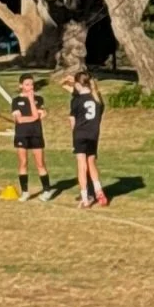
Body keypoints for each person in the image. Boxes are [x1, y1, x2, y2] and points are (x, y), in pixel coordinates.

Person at [62, 69, 108, 208]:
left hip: (80, 135)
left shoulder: (76, 101)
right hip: (93, 135)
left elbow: (72, 121)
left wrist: (74, 136)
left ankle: (85, 197)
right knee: (91, 163)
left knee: (81, 166)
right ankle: (99, 190)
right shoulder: (97, 99)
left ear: (77, 84)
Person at [11, 74, 54, 202]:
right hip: (21, 134)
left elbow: (39, 115)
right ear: (21, 86)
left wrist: (31, 101)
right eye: (27, 84)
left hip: (36, 134)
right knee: (23, 162)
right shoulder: (16, 101)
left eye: (32, 84)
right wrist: (32, 117)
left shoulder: (38, 99)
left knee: (40, 163)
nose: (30, 87)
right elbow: (19, 119)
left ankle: (46, 190)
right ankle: (25, 192)